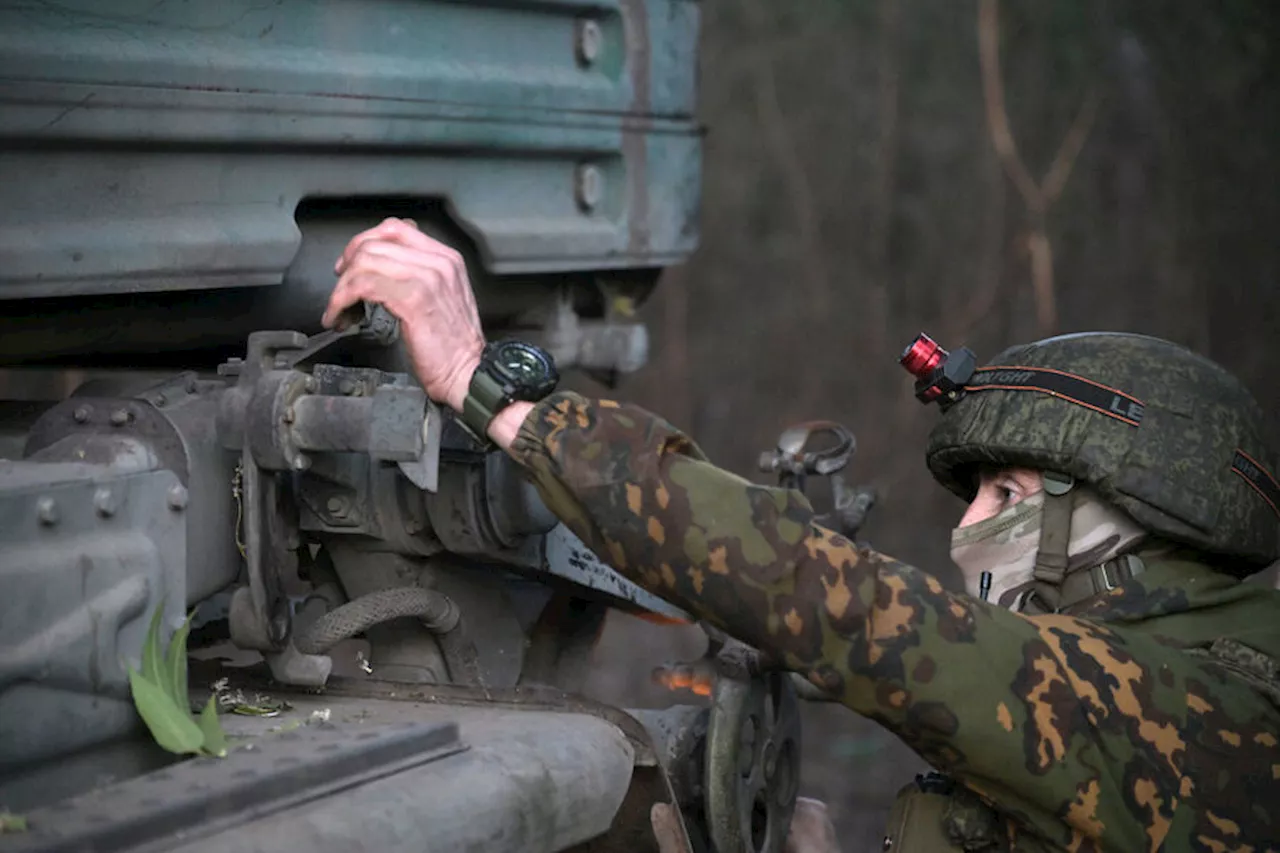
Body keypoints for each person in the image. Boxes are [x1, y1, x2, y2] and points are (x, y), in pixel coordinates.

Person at [323, 217, 1280, 852]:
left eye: (1008, 493)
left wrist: (495, 395)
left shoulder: (1190, 716)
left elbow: (840, 605)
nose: (969, 528)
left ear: (1122, 530)